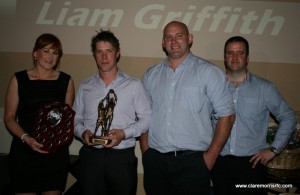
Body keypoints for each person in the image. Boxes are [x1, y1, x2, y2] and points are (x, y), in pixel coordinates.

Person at [140, 21, 236, 195]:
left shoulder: (209, 72)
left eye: (179, 36)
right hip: (156, 162)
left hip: (194, 164)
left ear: (190, 39)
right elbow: (143, 115)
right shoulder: (150, 75)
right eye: (168, 37)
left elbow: (227, 115)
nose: (174, 41)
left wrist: (210, 157)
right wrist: (146, 152)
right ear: (163, 42)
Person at [211, 36, 297, 195]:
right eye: (230, 53)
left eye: (240, 53)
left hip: (252, 165)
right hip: (219, 163)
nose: (235, 57)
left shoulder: (265, 88)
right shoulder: (213, 87)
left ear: (247, 58)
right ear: (225, 57)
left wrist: (274, 149)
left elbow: (289, 117)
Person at [73, 30, 151, 195]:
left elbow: (147, 119)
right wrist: (82, 133)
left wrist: (124, 133)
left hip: (121, 158)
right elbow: (75, 119)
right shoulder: (85, 86)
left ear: (117, 54)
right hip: (90, 157)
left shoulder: (134, 85)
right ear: (94, 55)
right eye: (99, 52)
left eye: (108, 51)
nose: (104, 57)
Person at [4, 33, 75, 195]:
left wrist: (56, 142)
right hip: (24, 151)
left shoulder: (66, 81)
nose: (51, 57)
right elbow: (8, 117)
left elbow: (66, 121)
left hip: (54, 154)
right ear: (35, 53)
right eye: (46, 50)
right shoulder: (18, 79)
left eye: (55, 53)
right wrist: (26, 138)